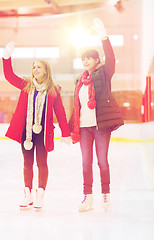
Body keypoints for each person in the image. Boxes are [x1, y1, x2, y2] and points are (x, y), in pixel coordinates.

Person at [2, 41, 71, 210]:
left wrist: (66, 132)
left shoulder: (53, 89)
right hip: (26, 132)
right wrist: (6, 57)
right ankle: (28, 194)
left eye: (39, 67)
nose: (35, 70)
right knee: (27, 163)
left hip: (43, 132)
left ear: (46, 70)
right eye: (34, 67)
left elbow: (60, 112)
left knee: (42, 163)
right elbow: (9, 76)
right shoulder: (26, 85)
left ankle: (40, 194)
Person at [70, 18, 124, 212]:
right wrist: (68, 130)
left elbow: (111, 59)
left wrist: (104, 38)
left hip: (100, 127)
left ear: (96, 60)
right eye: (83, 59)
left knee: (102, 161)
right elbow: (77, 107)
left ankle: (105, 194)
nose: (85, 61)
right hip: (84, 127)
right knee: (86, 163)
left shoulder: (104, 74)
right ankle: (87, 197)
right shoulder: (79, 80)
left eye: (89, 58)